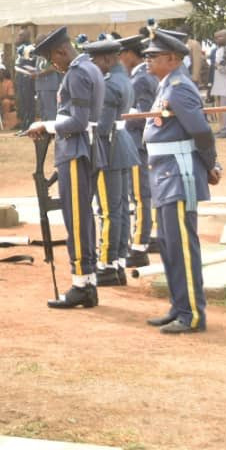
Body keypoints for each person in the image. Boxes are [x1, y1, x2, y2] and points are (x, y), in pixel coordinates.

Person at [142, 30, 221, 333]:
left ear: (172, 59)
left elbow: (201, 133)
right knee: (169, 246)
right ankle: (179, 307)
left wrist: (212, 165)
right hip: (164, 174)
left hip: (178, 175)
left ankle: (193, 316)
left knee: (183, 248)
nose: (148, 59)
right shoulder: (167, 85)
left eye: (153, 55)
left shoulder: (178, 89)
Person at [27, 27, 105, 309]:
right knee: (83, 217)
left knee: (76, 219)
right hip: (84, 149)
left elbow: (78, 121)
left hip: (75, 150)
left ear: (61, 51)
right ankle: (89, 280)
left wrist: (45, 125)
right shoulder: (90, 68)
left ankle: (81, 283)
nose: (53, 65)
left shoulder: (77, 73)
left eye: (52, 59)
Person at [85, 38, 136, 286]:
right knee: (120, 208)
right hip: (123, 143)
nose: (93, 65)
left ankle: (105, 264)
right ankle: (117, 262)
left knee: (107, 211)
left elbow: (102, 127)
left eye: (94, 60)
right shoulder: (123, 78)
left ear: (107, 59)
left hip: (109, 147)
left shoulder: (108, 84)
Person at [119, 35, 158, 268]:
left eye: (122, 54)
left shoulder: (141, 79)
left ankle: (140, 246)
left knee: (141, 196)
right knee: (140, 195)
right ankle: (142, 241)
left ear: (130, 54)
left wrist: (121, 117)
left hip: (136, 144)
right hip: (136, 143)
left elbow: (143, 115)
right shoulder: (139, 76)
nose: (120, 59)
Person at [13, 31, 36, 130]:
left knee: (28, 104)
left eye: (21, 35)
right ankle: (23, 126)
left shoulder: (29, 49)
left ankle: (28, 126)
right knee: (22, 104)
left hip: (27, 81)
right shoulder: (20, 49)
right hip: (20, 81)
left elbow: (30, 65)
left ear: (27, 36)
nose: (18, 37)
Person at [34, 55, 62, 122]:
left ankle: (51, 130)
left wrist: (38, 74)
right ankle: (45, 129)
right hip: (40, 86)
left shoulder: (50, 54)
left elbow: (53, 67)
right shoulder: (39, 56)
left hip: (49, 86)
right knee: (42, 110)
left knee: (50, 110)